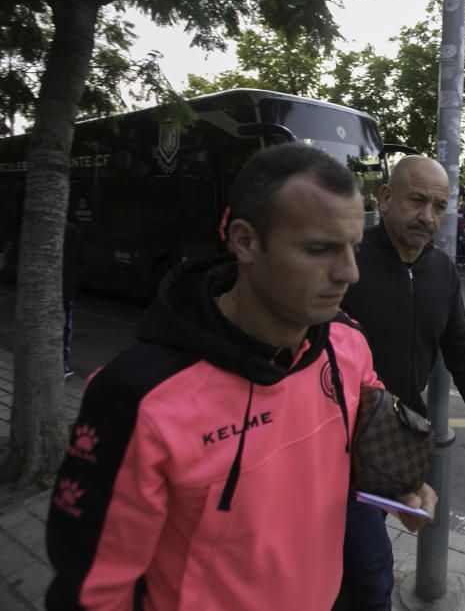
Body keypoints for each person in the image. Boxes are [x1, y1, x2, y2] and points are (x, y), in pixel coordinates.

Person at [44, 144, 437, 610]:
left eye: (352, 248)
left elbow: (359, 437)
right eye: (319, 249)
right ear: (245, 241)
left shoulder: (347, 345)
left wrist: (399, 485)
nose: (349, 273)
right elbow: (93, 593)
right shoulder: (137, 397)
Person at [336, 155, 465, 611]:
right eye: (417, 201)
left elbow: (463, 350)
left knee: (355, 567)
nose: (428, 217)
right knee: (368, 571)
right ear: (385, 198)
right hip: (335, 446)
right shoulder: (349, 261)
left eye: (439, 206)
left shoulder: (441, 270)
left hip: (392, 443)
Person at [62, 221, 86, 378]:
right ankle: (63, 364)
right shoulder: (74, 231)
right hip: (66, 290)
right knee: (65, 327)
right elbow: (84, 260)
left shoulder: (33, 226)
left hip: (42, 290)